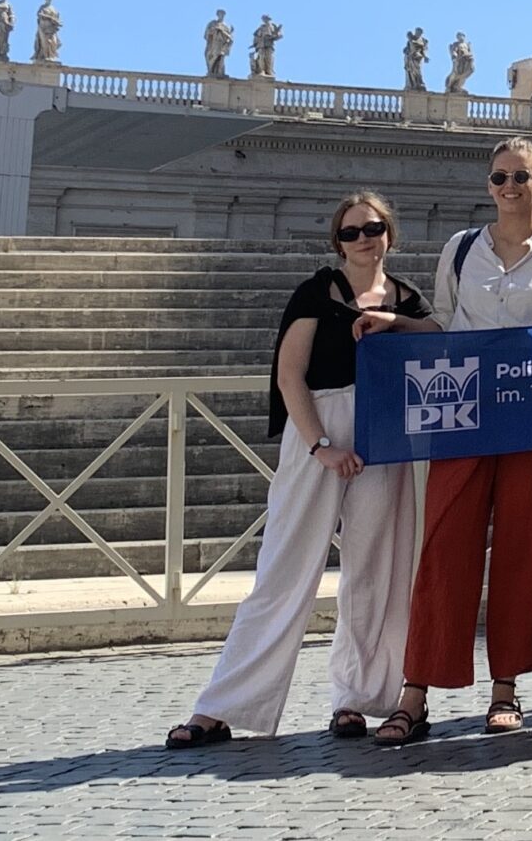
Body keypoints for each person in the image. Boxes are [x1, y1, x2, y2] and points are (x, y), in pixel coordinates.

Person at [168, 192, 436, 746]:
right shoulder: (316, 291)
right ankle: (222, 706)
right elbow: (290, 375)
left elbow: (438, 335)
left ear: (390, 234)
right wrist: (321, 446)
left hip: (385, 430)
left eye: (373, 228)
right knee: (284, 568)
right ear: (337, 242)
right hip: (321, 424)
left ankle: (358, 698)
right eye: (351, 232)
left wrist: (392, 322)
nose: (363, 240)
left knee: (377, 571)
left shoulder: (407, 297)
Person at [376, 138, 532, 745]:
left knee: (526, 549)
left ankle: (506, 687)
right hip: (463, 410)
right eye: (500, 177)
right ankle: (415, 690)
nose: (509, 187)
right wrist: (395, 323)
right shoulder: (461, 247)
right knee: (443, 547)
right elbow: (445, 323)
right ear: (489, 184)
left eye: (520, 177)